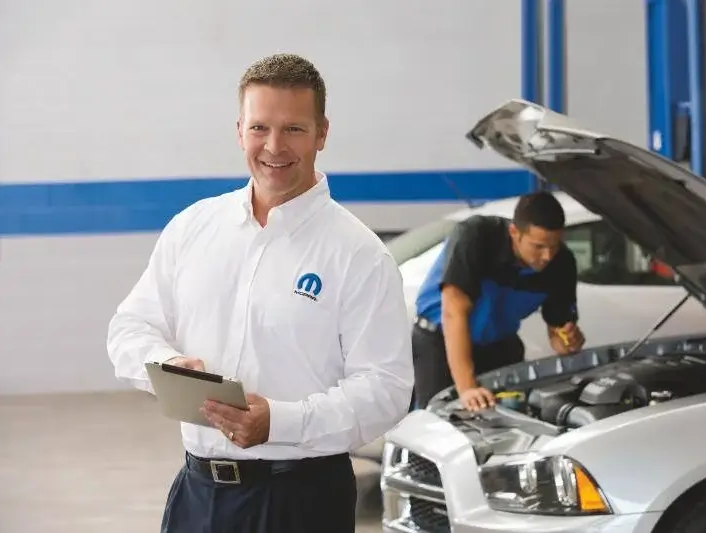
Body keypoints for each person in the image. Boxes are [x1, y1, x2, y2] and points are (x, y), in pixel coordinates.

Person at [106, 53, 414, 533]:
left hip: (302, 500)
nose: (274, 146)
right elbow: (130, 327)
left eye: (293, 129)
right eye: (259, 128)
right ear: (239, 131)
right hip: (198, 495)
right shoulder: (193, 228)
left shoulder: (359, 254)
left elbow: (386, 390)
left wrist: (282, 422)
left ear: (322, 133)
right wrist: (166, 366)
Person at [411, 191, 585, 412]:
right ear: (514, 232)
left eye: (554, 245)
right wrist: (467, 388)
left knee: (512, 415)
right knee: (437, 419)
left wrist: (568, 341)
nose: (547, 256)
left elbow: (557, 332)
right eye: (538, 246)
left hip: (499, 345)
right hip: (440, 342)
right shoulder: (476, 236)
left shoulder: (562, 263)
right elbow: (453, 313)